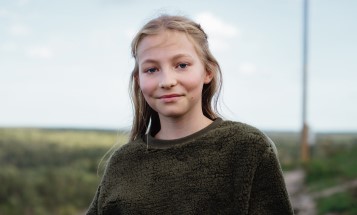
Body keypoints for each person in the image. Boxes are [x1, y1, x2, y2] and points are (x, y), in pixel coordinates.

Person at [87, 14, 294, 215]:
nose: (167, 81)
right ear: (138, 79)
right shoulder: (123, 162)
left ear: (207, 71)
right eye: (151, 69)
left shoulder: (248, 148)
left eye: (182, 65)